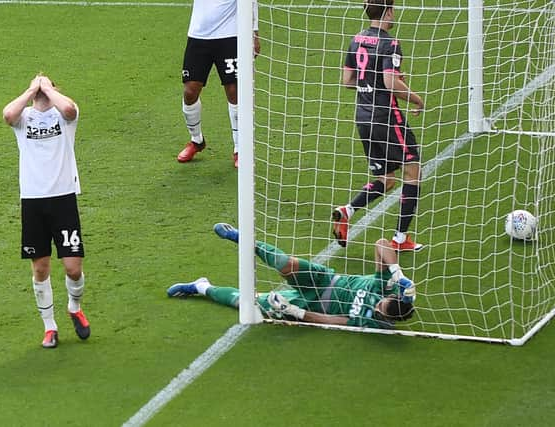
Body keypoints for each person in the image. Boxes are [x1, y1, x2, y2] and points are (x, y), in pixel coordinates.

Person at [167, 223, 416, 328]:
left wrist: (296, 313)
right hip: (324, 279)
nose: (379, 305)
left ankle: (201, 287)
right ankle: (241, 238)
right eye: (383, 301)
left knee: (246, 302)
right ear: (391, 296)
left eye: (381, 308)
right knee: (284, 263)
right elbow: (382, 243)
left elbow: (331, 322)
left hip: (313, 304)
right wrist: (398, 272)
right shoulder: (385, 284)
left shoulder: (371, 323)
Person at [3, 74, 90, 348]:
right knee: (40, 268)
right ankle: (49, 326)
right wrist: (31, 89)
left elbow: (69, 109)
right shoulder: (24, 118)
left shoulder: (65, 117)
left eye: (46, 85)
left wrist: (49, 89)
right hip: (33, 201)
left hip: (63, 199)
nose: (41, 88)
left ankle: (74, 307)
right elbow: (7, 114)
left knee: (73, 268)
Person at [333, 0, 425, 251]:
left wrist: (371, 82)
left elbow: (348, 80)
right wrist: (416, 99)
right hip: (386, 117)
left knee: (387, 178)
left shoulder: (356, 39)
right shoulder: (390, 43)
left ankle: (347, 211)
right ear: (389, 12)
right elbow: (390, 82)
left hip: (363, 117)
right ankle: (399, 239)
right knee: (413, 171)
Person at [177, 0, 261, 168]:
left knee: (234, 91)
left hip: (230, 34)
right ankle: (197, 140)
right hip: (198, 35)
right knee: (190, 91)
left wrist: (254, 33)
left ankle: (239, 149)